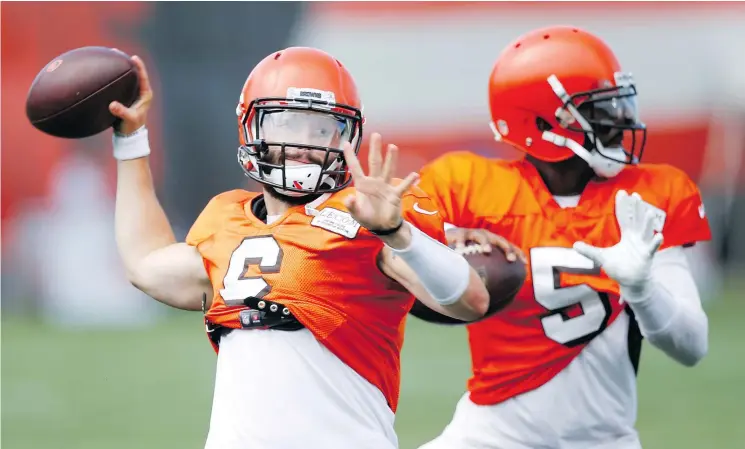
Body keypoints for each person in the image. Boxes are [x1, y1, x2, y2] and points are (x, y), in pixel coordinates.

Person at [108, 47, 491, 449]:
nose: (305, 144)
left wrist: (397, 232)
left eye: (322, 129)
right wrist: (130, 140)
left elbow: (469, 301)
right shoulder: (227, 218)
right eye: (289, 125)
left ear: (346, 137)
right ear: (252, 128)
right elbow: (145, 265)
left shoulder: (364, 216)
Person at [415, 26, 711, 449]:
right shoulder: (466, 186)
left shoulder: (648, 195)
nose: (621, 123)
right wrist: (431, 237)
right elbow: (389, 241)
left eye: (618, 105)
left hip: (604, 440)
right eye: (599, 111)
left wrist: (642, 289)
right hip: (489, 435)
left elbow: (692, 346)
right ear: (543, 123)